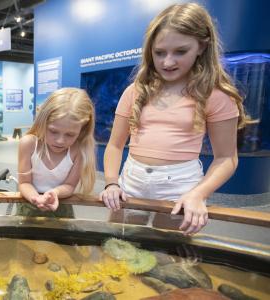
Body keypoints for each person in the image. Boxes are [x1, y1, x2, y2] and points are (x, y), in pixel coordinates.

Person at [99, 3, 249, 235]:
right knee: (118, 241)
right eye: (159, 53)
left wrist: (198, 194)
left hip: (180, 185)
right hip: (131, 179)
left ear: (202, 45)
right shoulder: (135, 90)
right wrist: (111, 182)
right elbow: (115, 145)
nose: (168, 62)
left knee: (168, 254)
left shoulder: (216, 95)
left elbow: (227, 158)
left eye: (180, 51)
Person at [17, 88, 97, 217]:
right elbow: (24, 183)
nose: (60, 141)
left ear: (82, 130)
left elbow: (70, 185)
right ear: (43, 122)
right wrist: (36, 198)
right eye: (53, 131)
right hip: (29, 201)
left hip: (61, 204)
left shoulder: (79, 151)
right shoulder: (28, 144)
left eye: (70, 135)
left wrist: (54, 193)